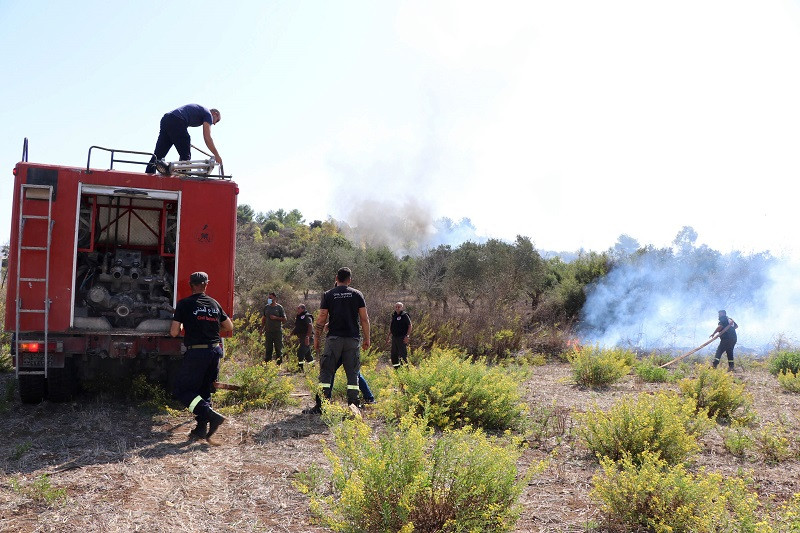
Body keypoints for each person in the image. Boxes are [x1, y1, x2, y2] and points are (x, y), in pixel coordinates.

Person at [170, 271, 233, 442]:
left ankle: (210, 415)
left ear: (190, 285)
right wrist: (210, 330)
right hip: (214, 351)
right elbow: (229, 326)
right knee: (204, 391)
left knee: (182, 390)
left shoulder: (184, 304)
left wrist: (190, 327)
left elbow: (174, 332)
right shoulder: (214, 303)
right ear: (206, 284)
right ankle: (200, 430)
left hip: (197, 352)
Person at [304, 267, 370, 415]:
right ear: (349, 279)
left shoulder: (329, 294)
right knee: (352, 373)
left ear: (336, 278)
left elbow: (321, 318)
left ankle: (321, 406)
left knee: (326, 372)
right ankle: (353, 406)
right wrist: (367, 338)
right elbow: (364, 319)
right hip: (352, 339)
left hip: (334, 339)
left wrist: (316, 339)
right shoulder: (357, 294)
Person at [145, 104, 222, 174]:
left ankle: (147, 176)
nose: (214, 123)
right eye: (217, 121)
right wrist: (217, 155)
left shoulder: (202, 111)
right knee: (185, 151)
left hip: (167, 119)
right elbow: (207, 137)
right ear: (215, 114)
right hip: (176, 120)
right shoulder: (208, 114)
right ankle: (183, 175)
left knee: (158, 155)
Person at [262, 292, 287, 364]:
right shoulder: (266, 307)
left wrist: (276, 318)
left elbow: (285, 319)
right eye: (268, 298)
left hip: (277, 331)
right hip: (268, 331)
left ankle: (279, 364)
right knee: (268, 348)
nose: (269, 299)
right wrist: (262, 328)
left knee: (278, 348)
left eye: (270, 298)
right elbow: (264, 318)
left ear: (274, 298)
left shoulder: (279, 308)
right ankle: (267, 364)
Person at [386, 302, 412, 368]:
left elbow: (410, 325)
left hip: (402, 338)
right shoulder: (394, 315)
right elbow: (392, 327)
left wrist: (407, 336)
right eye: (396, 307)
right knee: (394, 355)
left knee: (403, 355)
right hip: (394, 338)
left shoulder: (404, 315)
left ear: (402, 307)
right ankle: (397, 370)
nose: (397, 308)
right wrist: (388, 336)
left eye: (399, 307)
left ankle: (406, 371)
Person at [292, 303, 315, 371]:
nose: (297, 310)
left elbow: (310, 326)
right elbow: (297, 327)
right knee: (308, 355)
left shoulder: (307, 316)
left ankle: (300, 368)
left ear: (303, 309)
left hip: (307, 338)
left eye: (299, 308)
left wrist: (307, 337)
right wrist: (290, 334)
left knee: (300, 352)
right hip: (302, 338)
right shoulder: (299, 316)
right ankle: (313, 368)